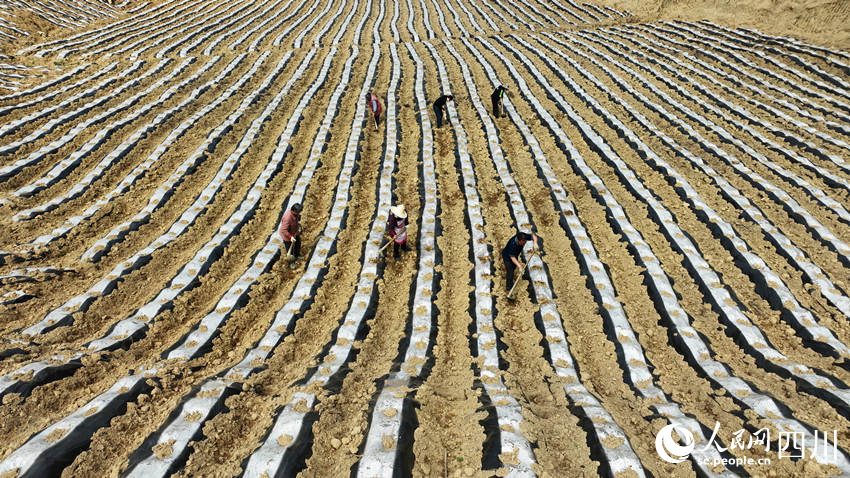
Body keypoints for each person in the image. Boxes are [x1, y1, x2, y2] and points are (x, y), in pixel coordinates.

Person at [279, 202, 303, 270]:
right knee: (290, 248)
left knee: (298, 243)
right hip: (287, 235)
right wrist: (290, 237)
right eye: (298, 212)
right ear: (293, 211)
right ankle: (291, 262)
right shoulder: (287, 218)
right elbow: (283, 230)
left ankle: (297, 255)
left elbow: (297, 219)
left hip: (294, 232)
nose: (299, 213)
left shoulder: (296, 214)